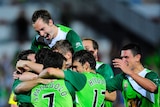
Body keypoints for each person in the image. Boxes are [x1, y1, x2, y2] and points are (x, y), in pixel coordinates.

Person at [39, 50, 106, 106]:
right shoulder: (101, 79)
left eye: (75, 67)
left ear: (86, 66)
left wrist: (38, 77)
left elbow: (50, 71)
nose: (74, 70)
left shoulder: (82, 78)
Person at [82, 38, 116, 107]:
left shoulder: (103, 68)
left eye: (87, 49)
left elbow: (112, 96)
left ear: (95, 51)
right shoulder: (76, 68)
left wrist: (88, 89)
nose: (84, 53)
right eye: (81, 49)